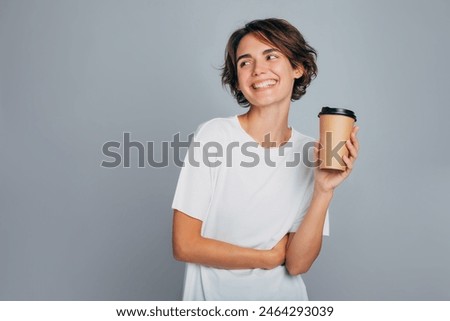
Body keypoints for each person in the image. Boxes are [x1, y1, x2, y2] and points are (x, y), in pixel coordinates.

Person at [171, 18, 359, 300]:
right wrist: (267, 258)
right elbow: (184, 245)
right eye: (245, 63)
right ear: (237, 78)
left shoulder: (313, 153)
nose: (258, 70)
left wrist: (323, 190)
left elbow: (298, 264)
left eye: (271, 56)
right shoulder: (214, 136)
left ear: (298, 68)